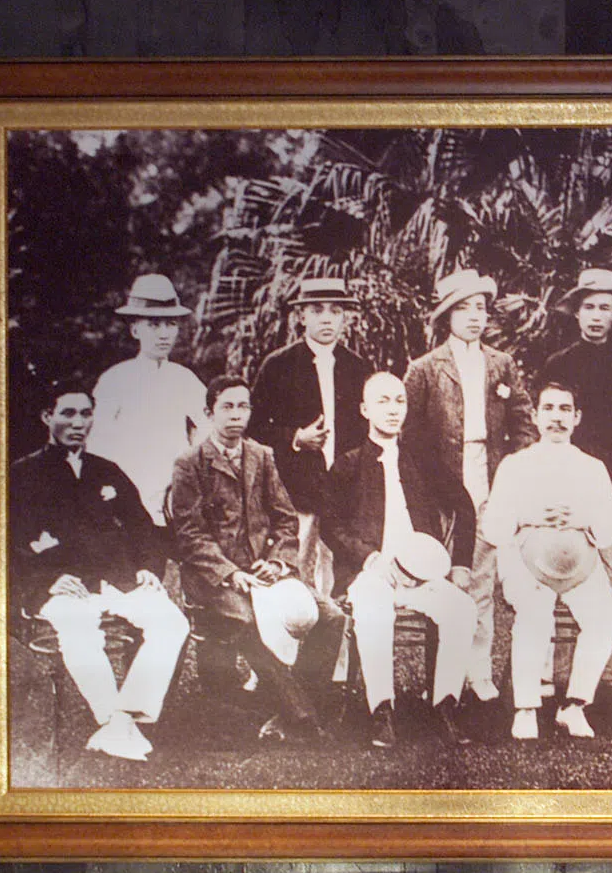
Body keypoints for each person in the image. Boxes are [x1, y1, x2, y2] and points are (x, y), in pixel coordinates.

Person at [10, 381, 191, 761]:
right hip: (60, 589)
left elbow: (143, 527)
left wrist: (147, 568)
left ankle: (123, 719)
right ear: (48, 417)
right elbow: (6, 542)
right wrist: (48, 580)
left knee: (172, 622)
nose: (78, 422)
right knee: (78, 629)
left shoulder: (106, 471)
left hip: (117, 582)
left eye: (86, 414)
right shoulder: (23, 474)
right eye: (68, 413)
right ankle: (114, 722)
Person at [168, 375, 345, 741]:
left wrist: (278, 562)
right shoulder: (190, 463)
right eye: (227, 407)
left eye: (243, 406)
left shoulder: (262, 456)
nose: (236, 415)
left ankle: (296, 701)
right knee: (249, 620)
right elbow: (189, 534)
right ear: (208, 412)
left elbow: (284, 518)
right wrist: (232, 573)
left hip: (266, 571)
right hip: (214, 577)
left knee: (331, 616)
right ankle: (301, 719)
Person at [323, 372, 479, 748]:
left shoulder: (421, 461)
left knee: (461, 608)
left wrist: (460, 564)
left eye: (399, 401)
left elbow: (463, 505)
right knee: (374, 610)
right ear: (364, 409)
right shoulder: (348, 464)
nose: (393, 410)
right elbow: (330, 525)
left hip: (422, 575)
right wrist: (367, 557)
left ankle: (443, 706)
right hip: (372, 573)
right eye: (382, 402)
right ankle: (382, 711)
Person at [402, 269, 537, 702]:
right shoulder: (424, 368)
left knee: (481, 577)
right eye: (464, 309)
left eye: (480, 308)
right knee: (440, 574)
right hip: (440, 483)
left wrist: (513, 468)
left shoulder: (501, 363)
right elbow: (409, 434)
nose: (474, 317)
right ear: (447, 317)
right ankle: (442, 674)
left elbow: (522, 420)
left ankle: (477, 671)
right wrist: (428, 484)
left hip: (488, 477)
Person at [481, 382, 612, 740]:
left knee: (606, 615)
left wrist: (581, 518)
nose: (556, 418)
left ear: (576, 418)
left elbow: (607, 531)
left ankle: (574, 705)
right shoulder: (515, 465)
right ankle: (526, 707)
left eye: (564, 410)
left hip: (580, 567)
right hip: (528, 565)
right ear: (535, 415)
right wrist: (530, 515)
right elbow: (494, 526)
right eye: (548, 409)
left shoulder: (593, 468)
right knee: (534, 612)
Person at [538, 268, 612, 693]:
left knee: (609, 575)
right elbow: (547, 427)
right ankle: (552, 670)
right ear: (577, 313)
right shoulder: (559, 364)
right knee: (557, 569)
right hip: (566, 482)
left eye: (605, 308)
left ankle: (608, 667)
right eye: (589, 307)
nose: (597, 316)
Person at [248, 276, 372, 598]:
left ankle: (336, 642)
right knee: (296, 564)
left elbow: (367, 430)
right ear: (301, 316)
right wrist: (295, 437)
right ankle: (297, 636)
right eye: (317, 310)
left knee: (340, 569)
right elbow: (254, 428)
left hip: (344, 487)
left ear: (346, 317)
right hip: (297, 487)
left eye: (335, 311)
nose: (327, 318)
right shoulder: (278, 366)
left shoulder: (358, 368)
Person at [84, 273, 210, 527]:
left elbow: (209, 431)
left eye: (170, 324)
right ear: (135, 329)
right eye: (154, 325)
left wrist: (189, 472)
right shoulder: (114, 381)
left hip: (176, 500)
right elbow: (97, 447)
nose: (164, 334)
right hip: (128, 498)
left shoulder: (185, 379)